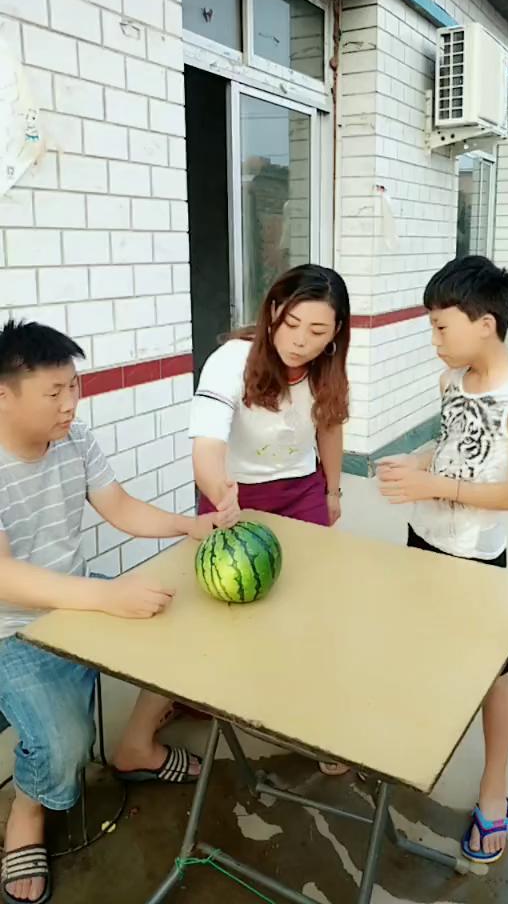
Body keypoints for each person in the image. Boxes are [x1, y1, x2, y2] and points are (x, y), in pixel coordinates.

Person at [0, 321, 231, 904]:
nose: (70, 404)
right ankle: (27, 811)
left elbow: (119, 506)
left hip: (77, 597)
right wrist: (107, 597)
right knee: (64, 745)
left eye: (74, 386)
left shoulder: (75, 440)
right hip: (11, 629)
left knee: (184, 631)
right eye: (54, 392)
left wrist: (188, 525)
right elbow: (4, 579)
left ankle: (136, 748)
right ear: (4, 394)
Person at [378, 256, 508, 865]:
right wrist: (417, 463)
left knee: (491, 674)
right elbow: (448, 442)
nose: (434, 339)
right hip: (424, 537)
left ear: (485, 323)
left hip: (477, 554)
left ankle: (493, 791)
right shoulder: (451, 380)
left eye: (440, 326)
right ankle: (410, 746)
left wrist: (435, 485)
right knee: (421, 644)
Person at [189, 264, 351, 774]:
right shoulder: (231, 360)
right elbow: (207, 443)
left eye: (318, 331)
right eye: (292, 323)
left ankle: (313, 719)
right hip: (234, 494)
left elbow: (329, 427)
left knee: (312, 601)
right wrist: (219, 492)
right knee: (230, 608)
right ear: (274, 311)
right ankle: (217, 691)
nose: (301, 341)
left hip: (301, 491)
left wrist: (331, 490)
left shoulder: (326, 368)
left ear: (336, 333)